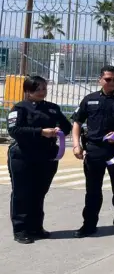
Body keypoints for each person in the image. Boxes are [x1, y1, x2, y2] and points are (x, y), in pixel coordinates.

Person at [71, 65, 114, 238]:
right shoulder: (89, 99)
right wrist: (76, 145)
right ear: (100, 80)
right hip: (93, 149)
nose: (112, 82)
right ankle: (89, 225)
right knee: (93, 189)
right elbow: (77, 123)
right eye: (108, 79)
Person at [7, 76, 72, 244]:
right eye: (38, 89)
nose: (42, 92)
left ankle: (36, 227)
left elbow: (67, 127)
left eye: (44, 88)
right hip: (23, 156)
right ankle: (21, 229)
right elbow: (14, 130)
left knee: (39, 192)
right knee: (22, 194)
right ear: (28, 91)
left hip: (46, 156)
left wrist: (59, 130)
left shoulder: (52, 108)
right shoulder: (20, 108)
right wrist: (40, 132)